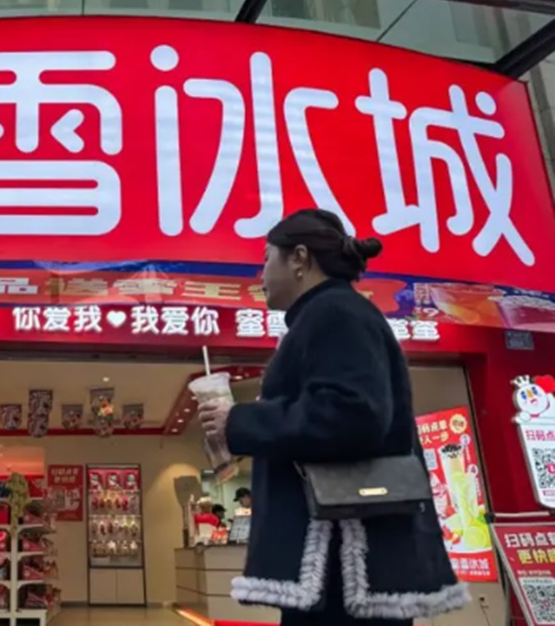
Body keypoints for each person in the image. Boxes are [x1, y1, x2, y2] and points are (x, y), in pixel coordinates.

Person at [197, 209, 468, 625]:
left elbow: (351, 415)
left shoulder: (335, 313)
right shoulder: (331, 314)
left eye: (267, 258)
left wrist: (241, 423)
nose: (259, 274)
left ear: (299, 258)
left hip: (342, 561)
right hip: (340, 559)